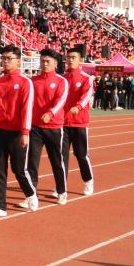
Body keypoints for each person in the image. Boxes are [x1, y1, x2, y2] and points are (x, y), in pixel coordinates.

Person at [0, 45, 38, 217]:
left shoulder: (25, 82)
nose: (5, 61)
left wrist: (25, 132)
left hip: (17, 132)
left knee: (19, 169)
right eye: (3, 58)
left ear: (18, 61)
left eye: (9, 58)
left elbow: (27, 109)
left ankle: (30, 193)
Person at [28, 49, 69, 205]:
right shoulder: (33, 81)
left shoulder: (61, 81)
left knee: (57, 161)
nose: (44, 64)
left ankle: (61, 191)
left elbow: (61, 100)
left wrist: (50, 113)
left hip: (54, 127)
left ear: (55, 63)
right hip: (35, 127)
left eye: (48, 61)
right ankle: (31, 194)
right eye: (42, 61)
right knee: (32, 162)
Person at [62, 46, 95, 196]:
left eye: (73, 57)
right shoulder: (62, 78)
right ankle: (61, 186)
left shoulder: (86, 78)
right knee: (61, 156)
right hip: (62, 123)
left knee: (81, 155)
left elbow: (87, 95)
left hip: (79, 123)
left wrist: (79, 106)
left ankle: (88, 181)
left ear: (80, 60)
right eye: (68, 57)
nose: (70, 60)